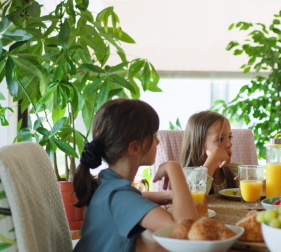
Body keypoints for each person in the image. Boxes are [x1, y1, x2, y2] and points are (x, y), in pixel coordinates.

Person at [74, 99, 197, 252]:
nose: (158, 142)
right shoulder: (120, 197)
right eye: (154, 136)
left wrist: (170, 194)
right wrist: (174, 168)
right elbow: (187, 231)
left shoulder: (108, 184)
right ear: (134, 147)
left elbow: (136, 197)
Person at [180, 111, 240, 194]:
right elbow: (190, 198)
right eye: (219, 139)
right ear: (199, 144)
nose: (230, 143)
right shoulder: (186, 176)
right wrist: (213, 159)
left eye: (230, 137)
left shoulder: (236, 170)